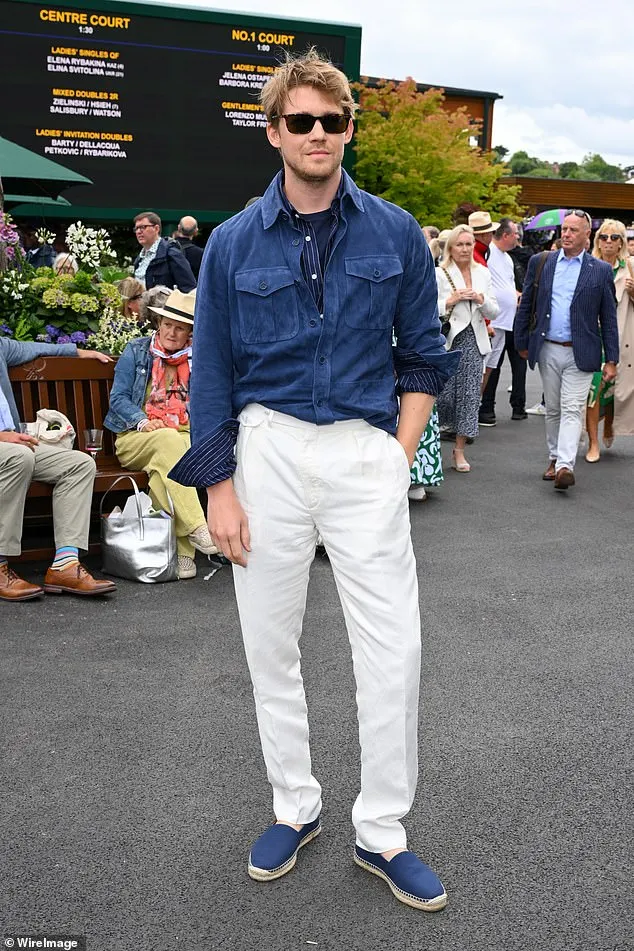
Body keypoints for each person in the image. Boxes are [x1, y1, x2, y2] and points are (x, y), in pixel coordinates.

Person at [169, 49, 459, 911]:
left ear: (347, 129)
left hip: (364, 450)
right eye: (301, 121)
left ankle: (383, 828)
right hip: (268, 453)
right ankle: (295, 806)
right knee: (271, 645)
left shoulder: (398, 233)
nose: (319, 134)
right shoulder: (227, 245)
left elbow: (425, 357)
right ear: (274, 133)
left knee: (394, 649)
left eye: (333, 121)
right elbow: (212, 373)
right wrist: (218, 487)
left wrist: (395, 455)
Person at [104, 289, 218, 580]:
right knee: (171, 441)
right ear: (158, 323)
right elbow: (117, 399)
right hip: (135, 436)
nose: (171, 331)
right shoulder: (137, 350)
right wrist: (142, 421)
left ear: (189, 332)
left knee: (167, 461)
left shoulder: (198, 358)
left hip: (180, 435)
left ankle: (181, 553)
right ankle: (196, 528)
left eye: (179, 328)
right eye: (167, 324)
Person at [0, 338, 117, 601]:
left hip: (13, 444)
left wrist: (79, 351)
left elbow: (37, 348)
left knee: (79, 464)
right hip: (8, 447)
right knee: (19, 457)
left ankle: (65, 565)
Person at [514, 210, 618, 491]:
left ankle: (564, 466)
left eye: (574, 230)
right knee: (555, 410)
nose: (567, 234)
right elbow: (527, 305)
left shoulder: (600, 270)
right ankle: (553, 456)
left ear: (587, 236)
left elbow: (609, 318)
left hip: (582, 352)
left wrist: (612, 359)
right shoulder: (542, 263)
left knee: (573, 408)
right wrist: (521, 341)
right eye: (565, 229)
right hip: (548, 348)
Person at [435, 225, 499, 471]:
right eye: (460, 244)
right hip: (449, 339)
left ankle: (459, 450)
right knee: (444, 396)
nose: (464, 249)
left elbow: (495, 310)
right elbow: (429, 306)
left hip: (475, 339)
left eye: (469, 244)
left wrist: (480, 299)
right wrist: (451, 300)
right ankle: (433, 444)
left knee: (470, 397)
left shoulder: (482, 272)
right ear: (450, 247)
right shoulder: (440, 273)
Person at [584, 220, 634, 461]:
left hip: (621, 337)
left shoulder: (631, 268)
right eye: (604, 237)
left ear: (622, 242)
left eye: (614, 238)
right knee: (593, 389)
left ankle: (609, 423)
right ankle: (593, 442)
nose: (608, 242)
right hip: (594, 337)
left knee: (615, 390)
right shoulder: (587, 265)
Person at [479, 218, 527, 425]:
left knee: (491, 367)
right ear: (505, 235)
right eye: (515, 233)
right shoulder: (488, 252)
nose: (518, 237)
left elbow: (506, 285)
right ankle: (479, 408)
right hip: (493, 321)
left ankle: (477, 408)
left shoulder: (507, 258)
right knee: (484, 367)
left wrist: (515, 295)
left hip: (506, 321)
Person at [132, 212, 196, 292]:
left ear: (156, 228)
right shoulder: (139, 259)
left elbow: (189, 288)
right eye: (136, 228)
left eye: (143, 227)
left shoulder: (171, 253)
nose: (138, 231)